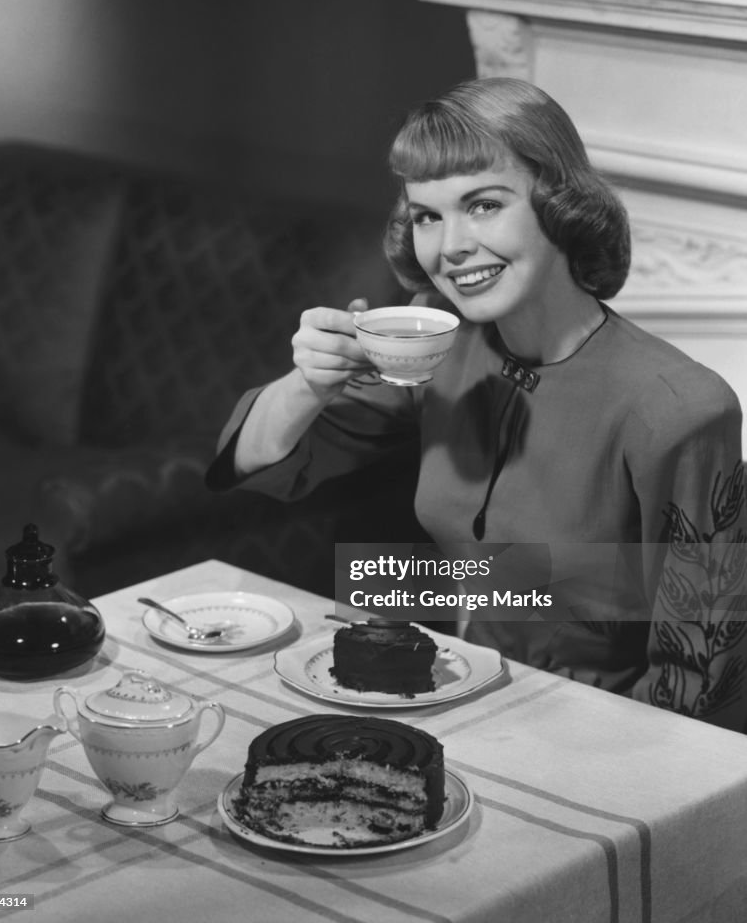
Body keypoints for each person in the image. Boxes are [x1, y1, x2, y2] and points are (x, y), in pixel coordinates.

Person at [207, 77, 747, 731]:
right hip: (451, 696)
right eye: (428, 215)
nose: (450, 245)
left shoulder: (679, 407)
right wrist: (306, 384)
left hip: (600, 738)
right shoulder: (438, 339)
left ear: (558, 204)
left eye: (483, 205)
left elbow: (701, 671)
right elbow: (257, 464)